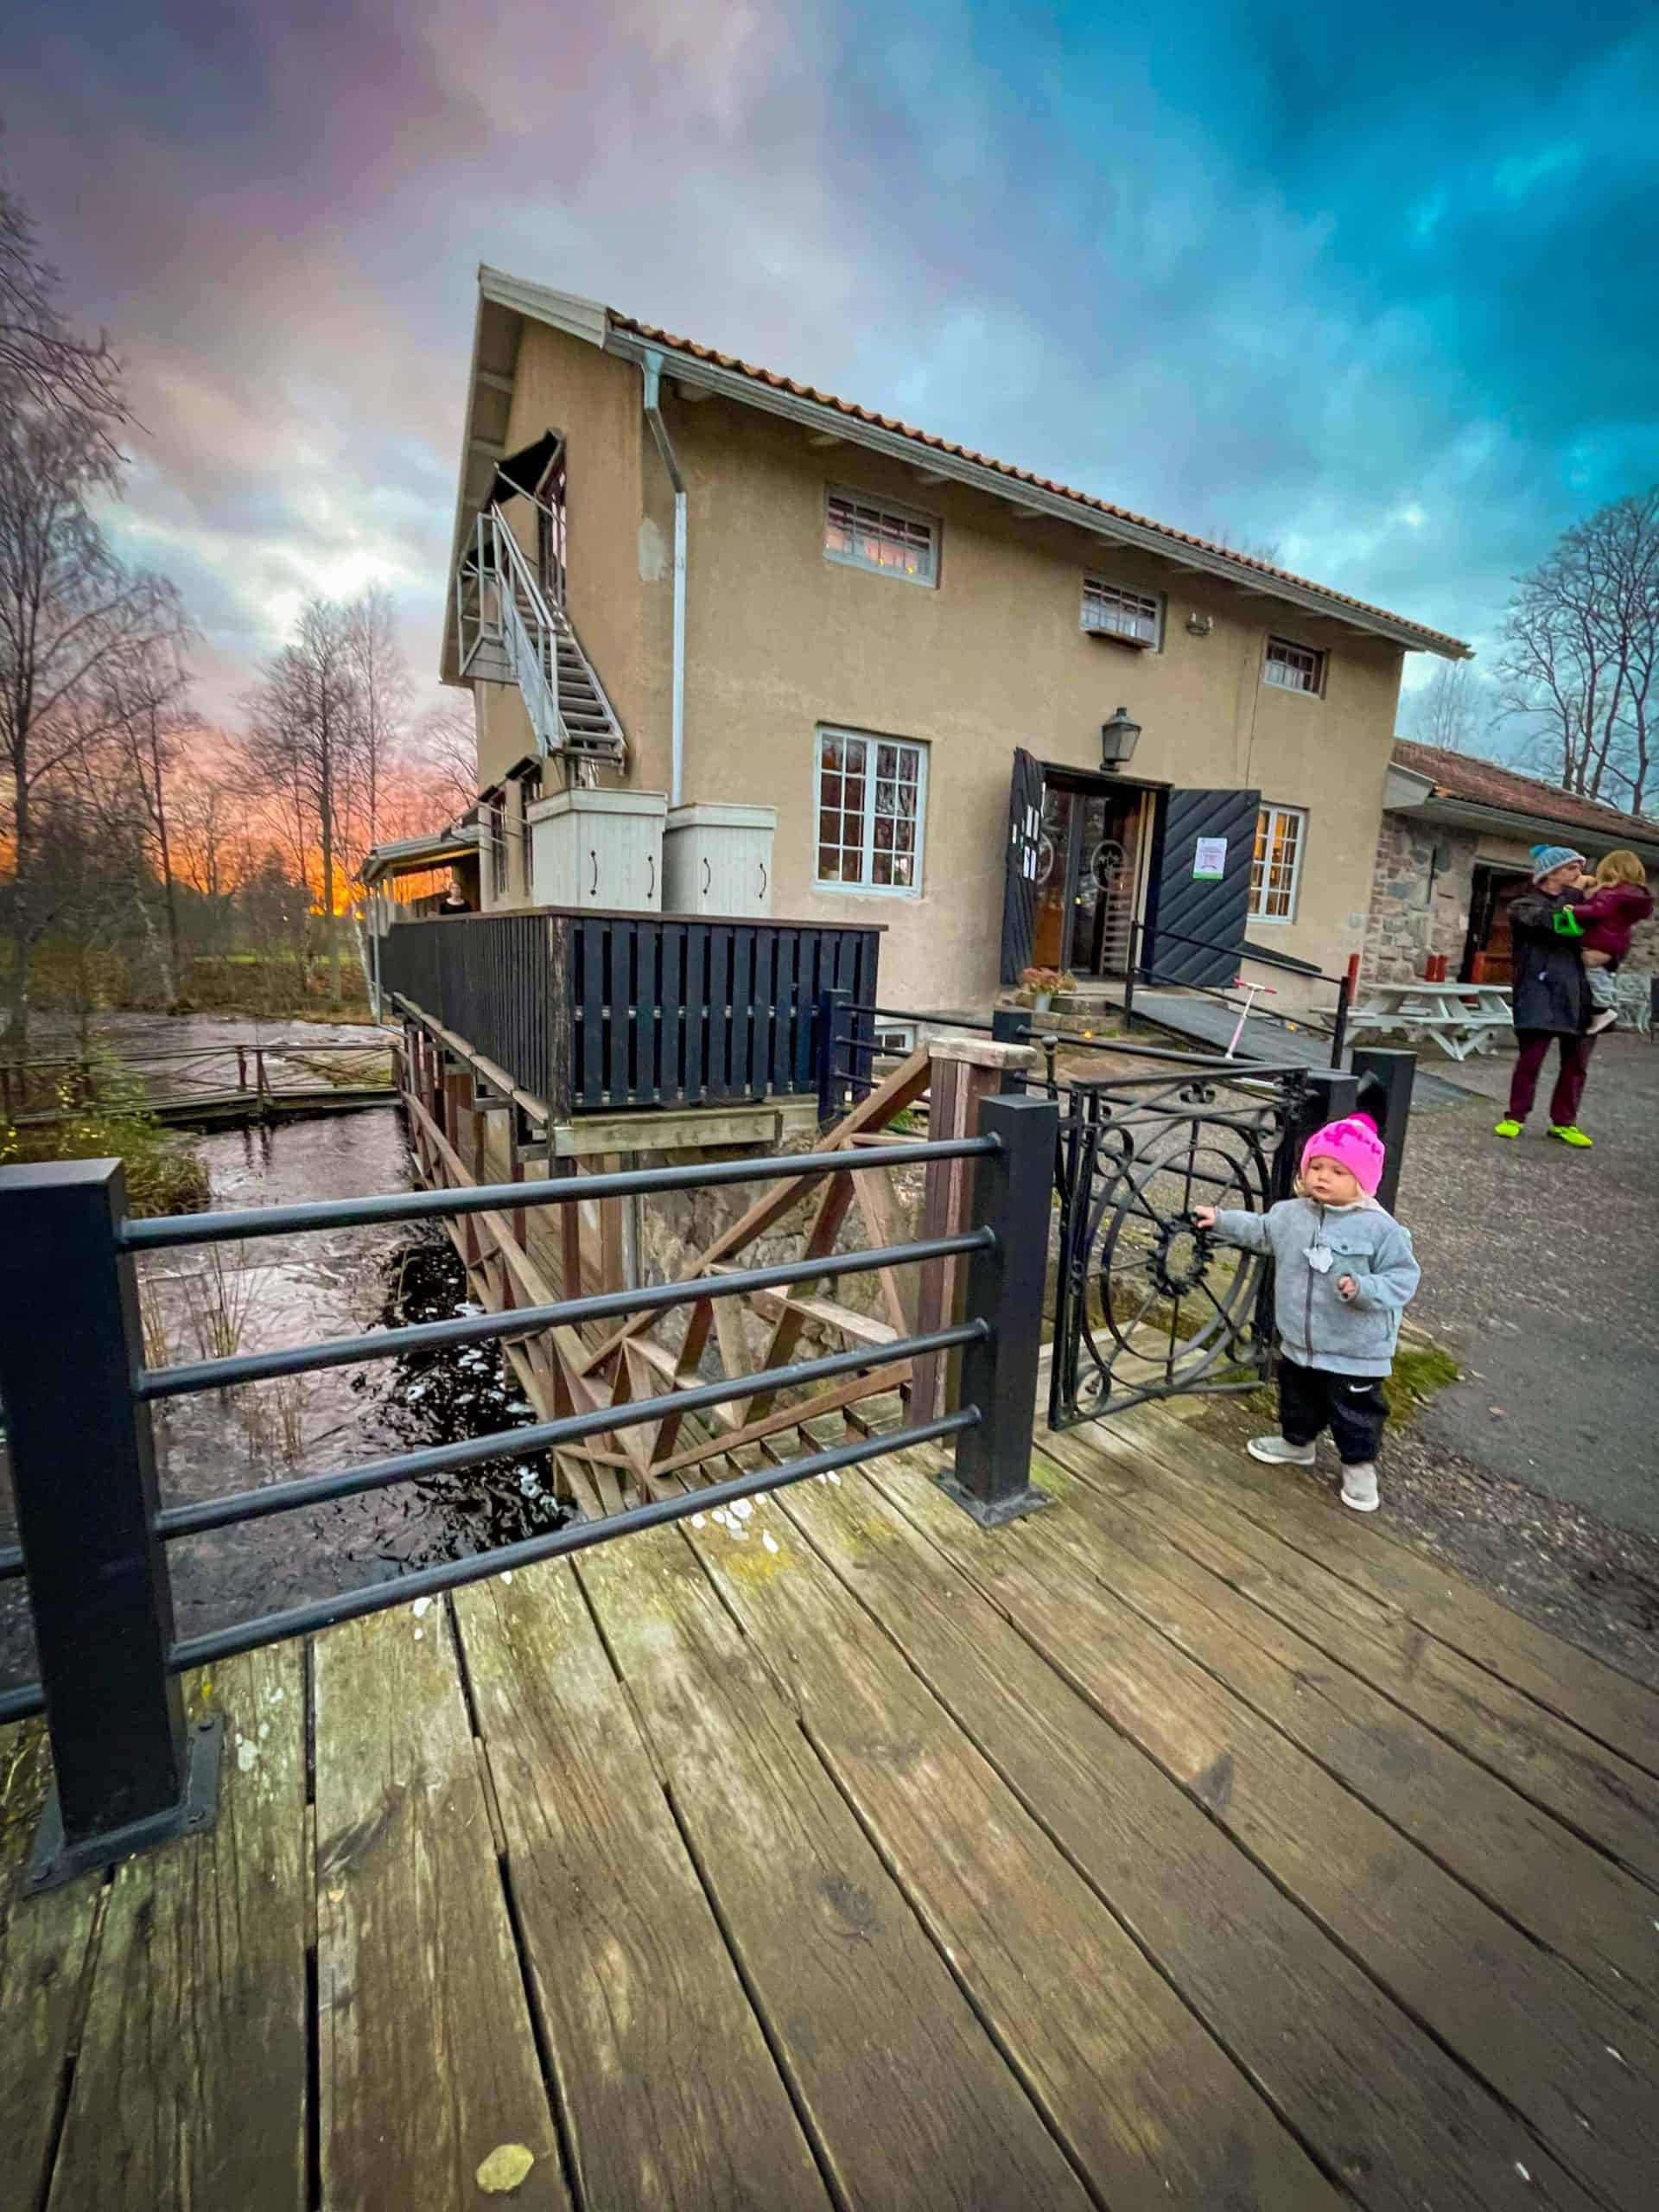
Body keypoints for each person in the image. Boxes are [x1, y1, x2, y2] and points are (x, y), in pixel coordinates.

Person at [1194, 1114, 1420, 1514]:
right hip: (1300, 1341)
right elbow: (1261, 1231)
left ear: (1363, 1181)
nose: (1322, 1177)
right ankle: (1297, 1443)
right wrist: (1223, 1221)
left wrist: (1365, 1289)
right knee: (1298, 1398)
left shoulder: (1380, 1230)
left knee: (1358, 1413)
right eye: (1316, 1166)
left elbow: (1403, 1278)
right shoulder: (1290, 1214)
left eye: (1337, 1171)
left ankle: (1359, 1465)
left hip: (1357, 1350)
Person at [1492, 846, 1596, 1147]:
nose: (1579, 875)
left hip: (1575, 993)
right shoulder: (1524, 906)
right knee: (1531, 1059)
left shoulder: (1581, 904)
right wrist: (1573, 903)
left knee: (1576, 1062)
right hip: (1538, 991)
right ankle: (1515, 1116)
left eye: (1579, 869)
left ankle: (1564, 1122)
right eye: (1571, 869)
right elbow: (1559, 927)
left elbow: (1596, 933)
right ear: (1551, 873)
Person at [1561, 850, 1653, 1038]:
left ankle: (1603, 1008)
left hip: (1600, 940)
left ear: (1611, 870)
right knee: (1597, 972)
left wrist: (1574, 910)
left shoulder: (1613, 893)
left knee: (1591, 970)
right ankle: (1600, 1007)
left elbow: (1598, 910)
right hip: (1615, 942)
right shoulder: (1634, 896)